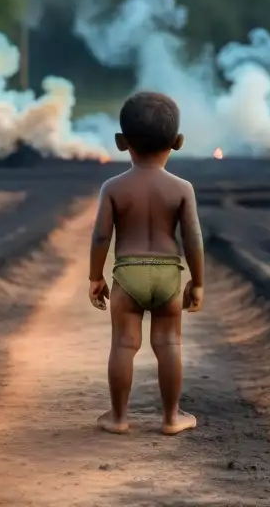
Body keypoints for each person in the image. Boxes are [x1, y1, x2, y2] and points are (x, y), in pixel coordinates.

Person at [87, 91, 205, 435]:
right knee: (168, 344)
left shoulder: (113, 187)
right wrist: (197, 281)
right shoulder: (182, 188)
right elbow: (193, 239)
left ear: (121, 142)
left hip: (128, 273)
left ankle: (118, 417)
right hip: (169, 274)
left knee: (124, 343)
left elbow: (99, 237)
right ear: (178, 142)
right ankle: (171, 417)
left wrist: (95, 276)